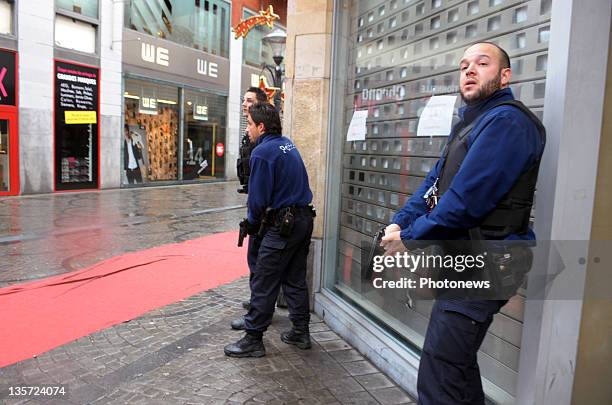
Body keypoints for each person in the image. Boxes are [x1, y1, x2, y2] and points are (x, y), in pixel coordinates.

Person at [381, 42, 545, 404]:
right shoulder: (470, 125)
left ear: (505, 76)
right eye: (464, 65)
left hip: (487, 264)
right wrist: (400, 221)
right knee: (454, 365)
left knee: (439, 376)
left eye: (482, 64)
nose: (469, 70)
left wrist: (409, 237)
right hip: (466, 261)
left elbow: (465, 203)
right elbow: (434, 186)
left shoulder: (507, 122)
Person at [224, 103, 314, 358]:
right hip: (303, 218)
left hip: (283, 224)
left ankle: (253, 338)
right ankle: (300, 331)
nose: (248, 129)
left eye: (250, 124)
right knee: (295, 279)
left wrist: (252, 223)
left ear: (261, 126)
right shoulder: (287, 144)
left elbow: (258, 199)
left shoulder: (262, 152)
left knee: (265, 277)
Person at [236, 87, 269, 312]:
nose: (244, 104)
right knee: (255, 258)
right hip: (254, 198)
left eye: (249, 100)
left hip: (264, 208)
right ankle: (257, 301)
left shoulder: (263, 139)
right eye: (243, 100)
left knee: (258, 258)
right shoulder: (249, 134)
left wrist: (254, 215)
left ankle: (259, 308)